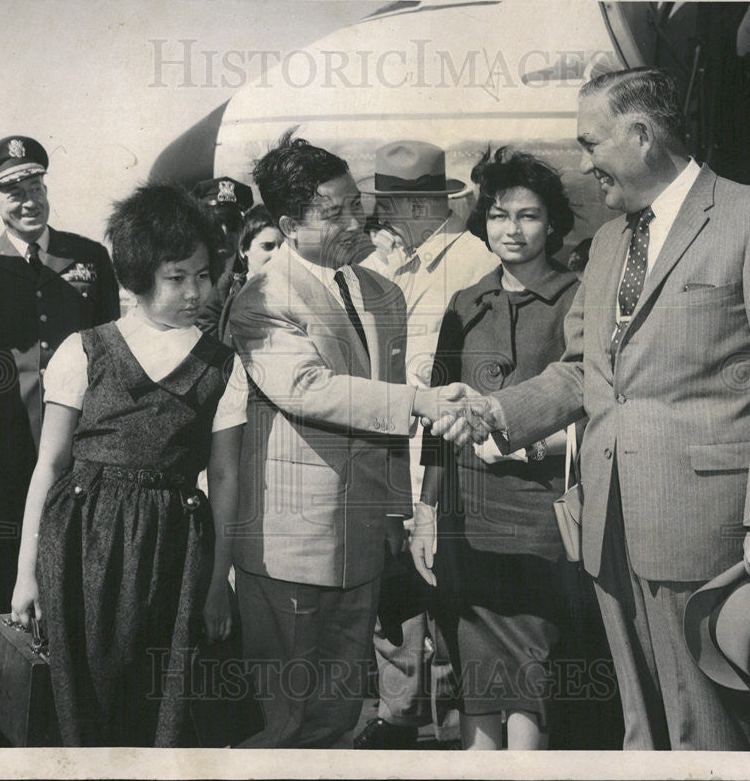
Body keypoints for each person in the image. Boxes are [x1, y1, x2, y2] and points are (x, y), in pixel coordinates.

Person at [430, 67, 750, 750]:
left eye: (591, 143)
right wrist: (497, 409)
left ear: (641, 137)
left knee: (708, 724)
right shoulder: (612, 239)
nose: (584, 164)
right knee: (641, 725)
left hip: (705, 528)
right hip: (607, 524)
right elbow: (587, 370)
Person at [226, 131, 483, 748]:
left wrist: (396, 507)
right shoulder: (260, 299)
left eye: (352, 203)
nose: (354, 220)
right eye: (332, 211)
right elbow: (309, 387)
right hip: (292, 546)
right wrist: (420, 402)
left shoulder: (381, 292)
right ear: (289, 224)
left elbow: (383, 404)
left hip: (365, 541)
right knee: (283, 720)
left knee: (339, 715)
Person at [9, 183, 244, 746]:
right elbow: (50, 465)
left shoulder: (224, 366)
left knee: (164, 699)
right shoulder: (84, 349)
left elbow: (229, 477)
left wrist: (217, 583)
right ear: (136, 279)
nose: (195, 291)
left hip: (177, 551)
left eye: (203, 275)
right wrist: (25, 574)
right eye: (176, 278)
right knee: (86, 701)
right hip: (81, 542)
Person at [410, 146, 585, 750]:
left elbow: (595, 412)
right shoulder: (465, 304)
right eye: (498, 215)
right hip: (465, 516)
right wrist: (427, 510)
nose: (512, 230)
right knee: (473, 669)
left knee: (530, 669)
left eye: (528, 215)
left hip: (542, 516)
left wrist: (532, 452)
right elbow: (437, 412)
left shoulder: (577, 300)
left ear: (553, 222)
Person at [355, 140, 499, 749]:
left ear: (421, 203)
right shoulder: (383, 261)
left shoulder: (473, 263)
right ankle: (398, 716)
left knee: (455, 599)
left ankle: (469, 728)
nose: (384, 215)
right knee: (394, 597)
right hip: (388, 457)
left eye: (392, 203)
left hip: (444, 458)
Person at [0, 135, 120, 614]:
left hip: (83, 435)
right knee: (5, 560)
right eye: (15, 192)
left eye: (36, 186)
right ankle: (9, 673)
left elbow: (111, 348)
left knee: (79, 553)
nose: (30, 201)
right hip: (6, 439)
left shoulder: (89, 258)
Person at [192, 176, 254, 337]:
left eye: (232, 224)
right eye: (215, 222)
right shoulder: (182, 268)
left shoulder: (250, 271)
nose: (224, 232)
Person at [213, 203, 283, 341]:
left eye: (283, 247)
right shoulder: (225, 290)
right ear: (244, 249)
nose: (278, 255)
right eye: (268, 246)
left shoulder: (293, 293)